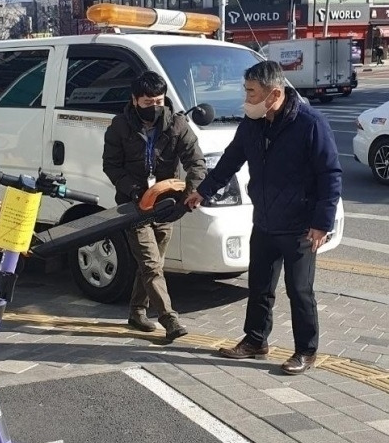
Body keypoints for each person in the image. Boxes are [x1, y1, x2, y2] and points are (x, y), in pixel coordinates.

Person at [186, 61, 342, 375]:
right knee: (259, 286)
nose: (246, 98)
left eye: (251, 92)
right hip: (265, 221)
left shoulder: (310, 124)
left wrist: (321, 224)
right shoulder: (253, 123)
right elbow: (230, 160)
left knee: (299, 290)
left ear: (273, 94)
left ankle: (305, 351)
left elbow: (330, 175)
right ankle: (255, 340)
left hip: (299, 226)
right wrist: (202, 191)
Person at [103, 71, 207, 341]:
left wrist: (191, 191)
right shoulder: (119, 127)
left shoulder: (177, 125)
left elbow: (196, 162)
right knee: (151, 265)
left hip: (166, 205)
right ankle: (169, 319)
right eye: (147, 102)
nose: (154, 107)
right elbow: (111, 166)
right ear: (135, 100)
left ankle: (137, 311)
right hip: (133, 206)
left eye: (158, 101)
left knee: (152, 263)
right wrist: (134, 190)